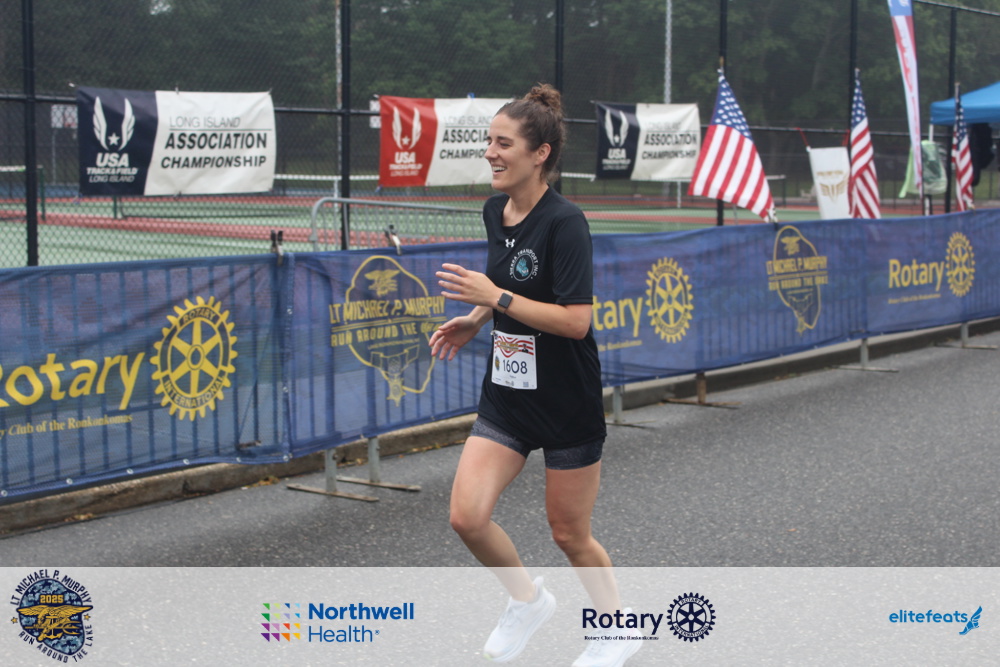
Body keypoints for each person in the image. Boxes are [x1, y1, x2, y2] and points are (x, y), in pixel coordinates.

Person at [429, 84, 641, 666]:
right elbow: (508, 287)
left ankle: (617, 629)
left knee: (569, 535)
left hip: (566, 400)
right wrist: (476, 318)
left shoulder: (566, 223)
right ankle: (527, 601)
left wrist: (493, 297)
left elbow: (575, 321)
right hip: (509, 396)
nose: (490, 153)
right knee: (466, 517)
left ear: (539, 153)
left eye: (503, 143)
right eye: (489, 142)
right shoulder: (493, 211)